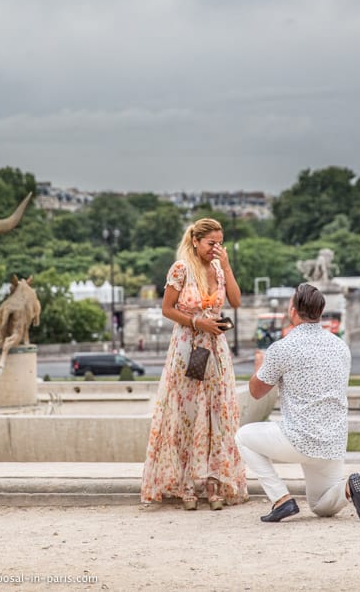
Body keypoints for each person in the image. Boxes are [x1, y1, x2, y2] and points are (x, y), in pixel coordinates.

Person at [235, 283, 360, 523]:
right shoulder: (340, 347)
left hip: (298, 438)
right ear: (320, 313)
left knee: (243, 436)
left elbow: (256, 392)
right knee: (321, 506)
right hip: (332, 441)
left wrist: (260, 367)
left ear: (292, 311)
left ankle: (281, 499)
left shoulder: (283, 348)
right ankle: (347, 489)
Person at [140, 218, 247, 511]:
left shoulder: (217, 269)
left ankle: (213, 483)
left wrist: (225, 265)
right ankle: (186, 483)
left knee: (217, 415)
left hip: (216, 348)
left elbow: (235, 302)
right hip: (188, 346)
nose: (216, 248)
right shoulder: (181, 269)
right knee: (187, 414)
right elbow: (166, 309)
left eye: (220, 243)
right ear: (196, 241)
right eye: (211, 243)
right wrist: (197, 321)